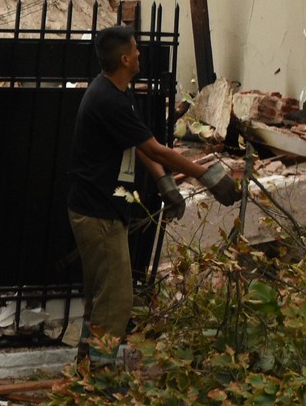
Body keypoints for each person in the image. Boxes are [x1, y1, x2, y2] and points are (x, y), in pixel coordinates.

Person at [67, 25, 240, 365]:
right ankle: (100, 375)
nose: (141, 55)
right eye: (137, 50)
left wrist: (165, 184)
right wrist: (205, 175)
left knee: (102, 296)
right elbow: (155, 149)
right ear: (125, 58)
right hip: (97, 212)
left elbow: (135, 143)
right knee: (116, 298)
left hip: (100, 208)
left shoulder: (115, 92)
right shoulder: (107, 99)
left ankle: (87, 367)